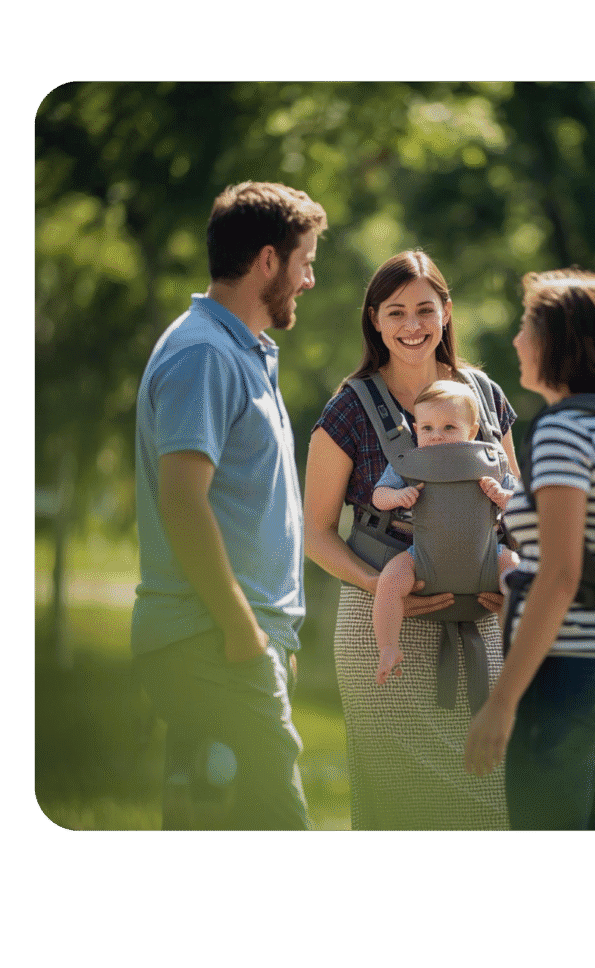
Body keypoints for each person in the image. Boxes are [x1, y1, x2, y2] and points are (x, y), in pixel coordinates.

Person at [131, 181, 327, 830]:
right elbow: (183, 502)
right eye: (304, 261)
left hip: (233, 639)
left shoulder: (239, 351)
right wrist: (243, 631)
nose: (309, 278)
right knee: (278, 826)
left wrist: (268, 632)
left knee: (209, 829)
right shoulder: (204, 355)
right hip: (211, 639)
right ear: (267, 261)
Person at [304, 250, 519, 830]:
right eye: (396, 312)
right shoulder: (348, 409)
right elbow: (314, 533)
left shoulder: (486, 396)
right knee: (400, 807)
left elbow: (518, 501)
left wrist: (510, 582)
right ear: (374, 319)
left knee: (483, 801)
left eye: (425, 309)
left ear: (446, 313)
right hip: (385, 634)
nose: (412, 325)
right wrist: (384, 587)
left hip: (481, 627)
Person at [464, 267, 595, 831]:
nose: (516, 340)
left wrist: (502, 703)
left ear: (558, 340)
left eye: (527, 325)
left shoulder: (564, 429)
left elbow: (560, 575)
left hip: (574, 675)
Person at [371, 379, 519, 686]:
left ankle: (516, 650)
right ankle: (388, 647)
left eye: (449, 427)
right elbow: (378, 495)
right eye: (427, 428)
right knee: (389, 581)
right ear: (415, 428)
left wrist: (503, 498)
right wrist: (397, 497)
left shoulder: (491, 460)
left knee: (519, 577)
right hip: (423, 557)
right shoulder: (410, 462)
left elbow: (523, 504)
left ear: (472, 429)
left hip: (488, 556)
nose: (436, 436)